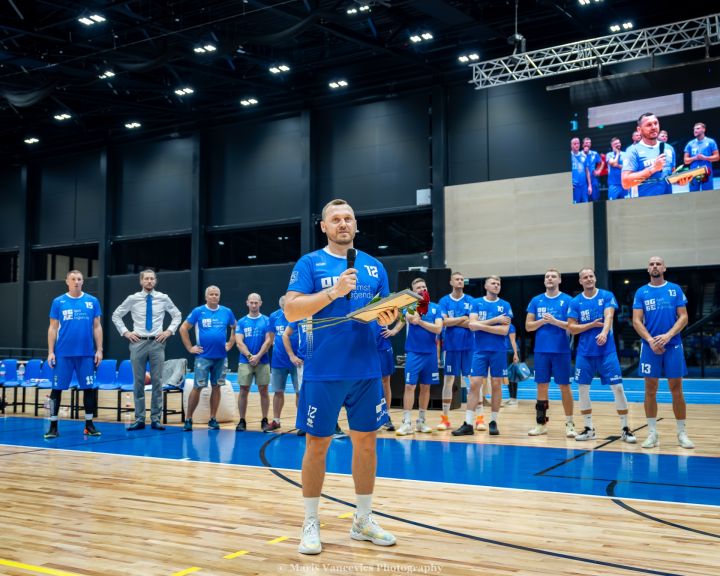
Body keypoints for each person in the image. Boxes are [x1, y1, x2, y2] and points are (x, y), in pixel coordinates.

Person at [285, 198, 398, 555]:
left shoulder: (374, 266)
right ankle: (310, 521)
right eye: (335, 219)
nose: (343, 224)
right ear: (323, 226)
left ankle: (362, 520)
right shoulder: (310, 263)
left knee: (366, 443)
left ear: (356, 224)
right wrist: (334, 291)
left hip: (366, 370)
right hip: (324, 370)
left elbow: (388, 314)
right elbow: (290, 310)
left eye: (348, 218)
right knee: (317, 445)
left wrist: (390, 318)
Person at [567, 268, 635, 443]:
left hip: (607, 352)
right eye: (585, 277)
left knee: (618, 388)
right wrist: (590, 325)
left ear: (595, 278)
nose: (589, 279)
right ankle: (589, 429)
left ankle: (625, 428)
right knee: (582, 390)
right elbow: (572, 328)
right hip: (585, 353)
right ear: (580, 281)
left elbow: (609, 316)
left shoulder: (606, 295)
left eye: (591, 276)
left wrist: (604, 332)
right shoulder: (575, 302)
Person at [631, 257, 694, 449]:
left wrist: (667, 336)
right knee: (650, 389)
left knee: (676, 388)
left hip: (672, 344)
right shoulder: (641, 292)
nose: (655, 266)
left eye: (658, 263)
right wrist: (651, 341)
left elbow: (683, 317)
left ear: (664, 268)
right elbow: (636, 321)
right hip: (650, 347)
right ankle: (652, 433)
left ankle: (682, 433)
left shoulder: (674, 289)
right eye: (651, 264)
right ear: (648, 269)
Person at [112, 269, 182, 431]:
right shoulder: (133, 299)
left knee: (157, 381)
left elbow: (177, 315)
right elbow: (116, 315)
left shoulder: (163, 298)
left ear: (155, 281)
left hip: (157, 343)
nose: (149, 281)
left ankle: (156, 418)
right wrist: (126, 332)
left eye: (152, 279)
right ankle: (139, 418)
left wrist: (169, 331)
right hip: (138, 343)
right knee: (138, 382)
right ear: (141, 281)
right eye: (146, 279)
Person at [44, 270, 103, 439]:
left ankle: (89, 425)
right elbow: (53, 328)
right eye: (73, 279)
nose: (76, 282)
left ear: (82, 282)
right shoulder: (58, 302)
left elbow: (97, 327)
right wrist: (50, 352)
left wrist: (99, 349)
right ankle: (53, 426)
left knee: (88, 389)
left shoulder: (92, 301)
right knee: (56, 390)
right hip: (63, 354)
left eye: (79, 279)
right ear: (67, 282)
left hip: (86, 354)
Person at [453, 275, 512, 437]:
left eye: (498, 283)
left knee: (496, 384)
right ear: (486, 286)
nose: (496, 285)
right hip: (479, 351)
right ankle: (468, 423)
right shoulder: (476, 303)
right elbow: (471, 326)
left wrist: (481, 325)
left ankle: (493, 421)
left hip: (498, 350)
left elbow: (504, 331)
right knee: (474, 385)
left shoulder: (505, 305)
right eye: (493, 283)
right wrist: (495, 321)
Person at [525, 269, 575, 437]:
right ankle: (541, 423)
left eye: (553, 276)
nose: (550, 279)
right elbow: (528, 326)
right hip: (541, 351)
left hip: (561, 350)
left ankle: (569, 424)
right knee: (541, 386)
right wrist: (542, 321)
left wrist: (554, 321)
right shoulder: (536, 300)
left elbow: (572, 327)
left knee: (565, 387)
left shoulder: (568, 300)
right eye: (547, 276)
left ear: (559, 280)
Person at [179, 285, 236, 432]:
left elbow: (235, 327)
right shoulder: (198, 311)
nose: (214, 297)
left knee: (216, 387)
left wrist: (230, 343)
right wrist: (190, 347)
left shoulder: (226, 312)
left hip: (221, 357)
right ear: (206, 297)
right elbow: (183, 328)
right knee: (198, 387)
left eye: (216, 294)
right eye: (211, 294)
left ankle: (213, 418)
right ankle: (188, 419)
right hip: (203, 357)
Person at [396, 278, 443, 436]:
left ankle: (421, 422)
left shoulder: (436, 307)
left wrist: (422, 322)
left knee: (426, 387)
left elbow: (438, 329)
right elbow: (411, 318)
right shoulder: (409, 306)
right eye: (418, 288)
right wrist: (418, 308)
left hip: (430, 354)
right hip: (414, 353)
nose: (422, 289)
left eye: (424, 286)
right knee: (409, 386)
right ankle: (406, 422)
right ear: (413, 291)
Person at [622, 112, 690, 197]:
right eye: (649, 125)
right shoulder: (632, 151)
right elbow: (625, 183)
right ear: (639, 130)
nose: (654, 127)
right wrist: (653, 168)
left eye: (655, 123)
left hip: (667, 203)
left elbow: (671, 176)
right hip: (643, 205)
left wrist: (679, 181)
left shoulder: (669, 148)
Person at [437, 272, 474, 430]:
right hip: (451, 346)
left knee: (472, 381)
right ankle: (445, 419)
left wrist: (453, 321)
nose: (460, 281)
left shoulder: (471, 300)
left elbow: (472, 323)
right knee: (448, 381)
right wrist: (462, 318)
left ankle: (477, 418)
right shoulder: (444, 301)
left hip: (468, 346)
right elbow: (444, 322)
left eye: (461, 279)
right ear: (451, 282)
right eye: (457, 279)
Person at [235, 293, 273, 432]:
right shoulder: (242, 322)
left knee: (264, 390)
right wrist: (250, 356)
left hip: (263, 361)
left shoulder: (267, 321)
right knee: (243, 389)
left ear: (260, 303)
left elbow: (268, 341)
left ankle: (264, 420)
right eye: (251, 302)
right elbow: (239, 342)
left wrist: (258, 356)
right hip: (245, 361)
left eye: (256, 303)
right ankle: (242, 420)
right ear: (247, 303)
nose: (254, 305)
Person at [267, 296, 298, 432]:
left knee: (300, 392)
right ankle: (276, 420)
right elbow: (271, 337)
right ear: (281, 306)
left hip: (297, 361)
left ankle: (300, 422)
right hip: (278, 361)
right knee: (278, 392)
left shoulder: (299, 314)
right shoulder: (274, 316)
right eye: (285, 307)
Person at [376, 318, 403, 432]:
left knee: (385, 381)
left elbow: (403, 316)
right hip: (364, 343)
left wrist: (395, 330)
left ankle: (386, 415)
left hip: (382, 344)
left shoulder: (384, 299)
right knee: (364, 381)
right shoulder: (356, 299)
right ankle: (368, 416)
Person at [683, 122, 719, 192]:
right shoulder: (690, 144)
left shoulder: (711, 142)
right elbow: (685, 160)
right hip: (693, 173)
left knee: (708, 195)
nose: (695, 130)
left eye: (698, 128)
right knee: (693, 195)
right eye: (694, 129)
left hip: (707, 173)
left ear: (704, 129)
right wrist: (695, 158)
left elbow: (717, 157)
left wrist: (705, 158)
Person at [501, 323, 520, 406]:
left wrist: (515, 354)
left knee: (513, 375)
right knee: (508, 375)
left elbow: (513, 341)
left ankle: (514, 398)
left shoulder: (511, 326)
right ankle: (511, 397)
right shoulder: (499, 325)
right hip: (504, 352)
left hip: (511, 352)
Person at [570, 137, 591, 204]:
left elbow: (587, 171)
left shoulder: (584, 156)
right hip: (574, 187)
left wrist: (589, 185)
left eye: (578, 143)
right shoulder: (569, 156)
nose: (577, 145)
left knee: (586, 206)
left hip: (584, 186)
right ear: (571, 145)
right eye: (574, 143)